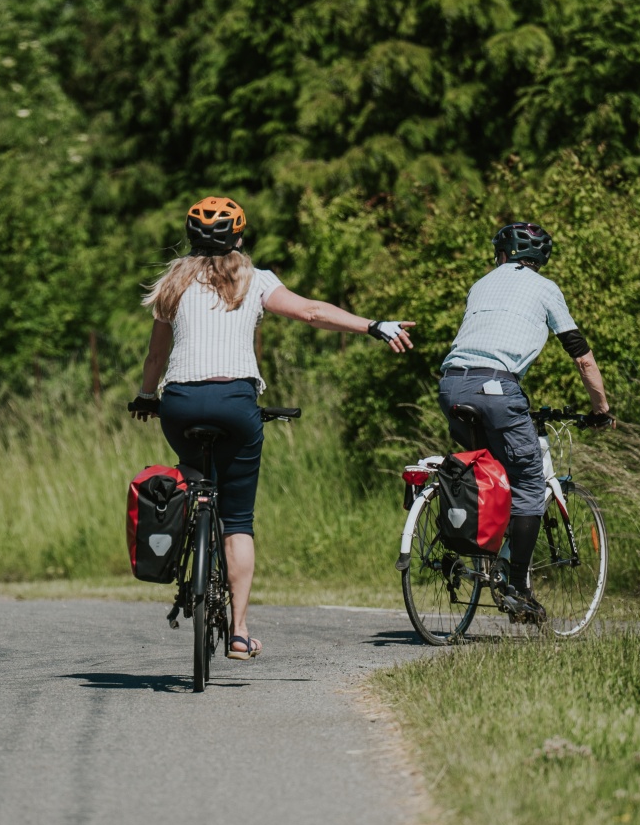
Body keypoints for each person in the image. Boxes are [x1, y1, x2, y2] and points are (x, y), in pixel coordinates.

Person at [129, 197, 415, 659]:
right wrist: (373, 325)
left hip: (180, 404)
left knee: (196, 479)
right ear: (239, 238)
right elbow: (312, 312)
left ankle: (190, 547)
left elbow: (156, 359)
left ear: (191, 238)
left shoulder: (172, 284)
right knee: (237, 519)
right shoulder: (256, 280)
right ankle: (239, 633)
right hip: (236, 403)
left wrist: (147, 396)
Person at [437, 221, 613, 622]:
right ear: (539, 259)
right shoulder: (545, 288)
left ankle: (479, 560)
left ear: (501, 255)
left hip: (450, 385)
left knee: (485, 471)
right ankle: (517, 588)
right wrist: (601, 409)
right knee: (529, 481)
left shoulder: (481, 284)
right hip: (498, 387)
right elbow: (582, 356)